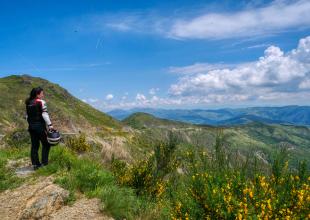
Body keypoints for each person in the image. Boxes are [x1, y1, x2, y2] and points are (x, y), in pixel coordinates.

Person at [25, 87, 53, 170]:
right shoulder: (41, 102)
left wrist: (31, 124)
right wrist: (50, 125)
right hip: (40, 127)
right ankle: (44, 163)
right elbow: (45, 114)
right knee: (46, 144)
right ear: (38, 94)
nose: (43, 95)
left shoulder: (28, 102)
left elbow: (27, 116)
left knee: (34, 146)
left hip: (31, 127)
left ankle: (35, 165)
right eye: (42, 93)